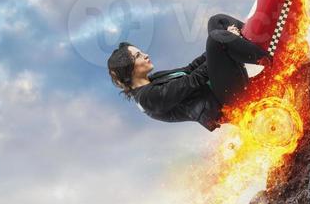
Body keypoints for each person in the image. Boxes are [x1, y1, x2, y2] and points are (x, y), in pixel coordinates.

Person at [107, 14, 270, 131]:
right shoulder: (147, 99)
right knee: (216, 39)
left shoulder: (153, 80)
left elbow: (189, 69)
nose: (146, 55)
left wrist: (225, 43)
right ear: (130, 69)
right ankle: (270, 60)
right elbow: (193, 80)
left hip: (220, 88)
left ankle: (265, 45)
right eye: (138, 56)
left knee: (217, 21)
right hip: (227, 103)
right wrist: (221, 48)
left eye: (141, 52)